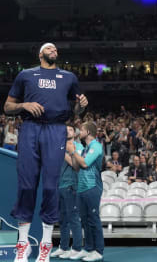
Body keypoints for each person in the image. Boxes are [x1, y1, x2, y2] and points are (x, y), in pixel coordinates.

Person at [4, 42, 88, 262]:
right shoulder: (25, 75)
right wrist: (24, 105)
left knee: (51, 186)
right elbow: (7, 107)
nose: (54, 51)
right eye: (50, 48)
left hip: (56, 130)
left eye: (56, 49)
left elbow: (77, 109)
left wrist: (82, 105)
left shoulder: (69, 77)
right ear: (40, 53)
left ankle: (46, 244)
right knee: (26, 185)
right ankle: (23, 244)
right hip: (30, 128)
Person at [66, 122, 104, 262]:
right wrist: (71, 152)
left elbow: (85, 164)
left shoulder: (96, 146)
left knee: (94, 219)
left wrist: (74, 152)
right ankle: (89, 248)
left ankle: (98, 251)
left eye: (81, 129)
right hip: (81, 188)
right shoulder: (87, 147)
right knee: (85, 221)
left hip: (93, 187)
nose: (79, 131)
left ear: (88, 132)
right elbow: (77, 167)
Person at [51, 125, 84, 259]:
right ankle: (63, 247)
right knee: (62, 220)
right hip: (60, 185)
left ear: (75, 133)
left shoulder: (79, 146)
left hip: (72, 185)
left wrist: (64, 152)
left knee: (73, 219)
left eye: (70, 129)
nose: (66, 131)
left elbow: (76, 165)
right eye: (65, 129)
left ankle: (76, 248)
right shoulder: (59, 147)